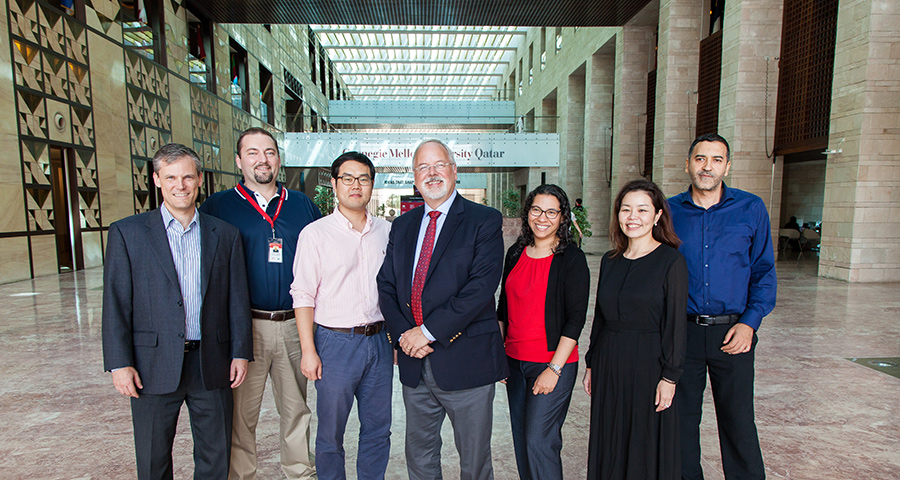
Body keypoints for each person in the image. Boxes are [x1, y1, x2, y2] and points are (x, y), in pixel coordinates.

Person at [102, 143, 252, 479]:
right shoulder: (128, 233)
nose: (179, 185)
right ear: (157, 180)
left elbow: (236, 299)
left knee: (216, 456)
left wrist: (240, 353)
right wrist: (119, 363)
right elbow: (115, 302)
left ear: (199, 179)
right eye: (170, 177)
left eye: (187, 176)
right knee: (153, 458)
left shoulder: (224, 234)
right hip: (151, 365)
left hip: (211, 363)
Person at [376, 139, 508, 480]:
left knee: (475, 462)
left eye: (439, 165)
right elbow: (386, 285)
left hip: (467, 361)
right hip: (414, 364)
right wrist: (405, 336)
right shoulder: (402, 226)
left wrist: (427, 332)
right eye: (423, 167)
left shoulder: (484, 220)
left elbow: (480, 289)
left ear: (454, 171)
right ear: (414, 178)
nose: (431, 173)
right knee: (419, 457)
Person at [199, 127, 320, 480]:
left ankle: (298, 472)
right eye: (252, 152)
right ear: (239, 160)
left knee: (296, 409)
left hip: (295, 325)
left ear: (278, 159)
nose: (262, 159)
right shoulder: (218, 207)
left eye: (269, 152)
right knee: (241, 414)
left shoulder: (301, 205)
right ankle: (241, 475)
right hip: (243, 328)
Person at [668, 133, 776, 480]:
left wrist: (750, 323)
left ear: (727, 166)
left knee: (739, 421)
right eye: (700, 159)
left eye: (716, 160)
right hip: (682, 332)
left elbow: (763, 272)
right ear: (688, 164)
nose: (707, 167)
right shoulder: (668, 211)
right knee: (681, 422)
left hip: (734, 333)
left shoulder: (751, 208)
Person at [290, 152, 393, 480]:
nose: (356, 185)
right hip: (334, 343)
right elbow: (303, 295)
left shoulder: (388, 232)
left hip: (378, 341)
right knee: (331, 432)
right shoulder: (315, 234)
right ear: (334, 184)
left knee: (378, 428)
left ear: (372, 185)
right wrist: (309, 351)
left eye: (363, 178)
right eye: (347, 178)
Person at [583, 179, 688, 480]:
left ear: (656, 216)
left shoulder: (672, 261)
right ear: (617, 215)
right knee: (611, 436)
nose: (633, 217)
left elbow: (675, 324)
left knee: (644, 438)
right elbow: (601, 316)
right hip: (610, 360)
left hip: (650, 363)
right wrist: (592, 362)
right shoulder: (610, 260)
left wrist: (670, 376)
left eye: (642, 209)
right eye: (626, 209)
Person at [496, 184, 589, 480]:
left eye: (551, 211)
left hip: (551, 364)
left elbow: (575, 320)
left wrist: (554, 368)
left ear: (562, 217)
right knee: (523, 441)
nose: (542, 217)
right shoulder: (515, 252)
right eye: (536, 209)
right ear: (528, 213)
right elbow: (503, 309)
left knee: (540, 441)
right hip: (514, 362)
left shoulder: (572, 259)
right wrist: (498, 356)